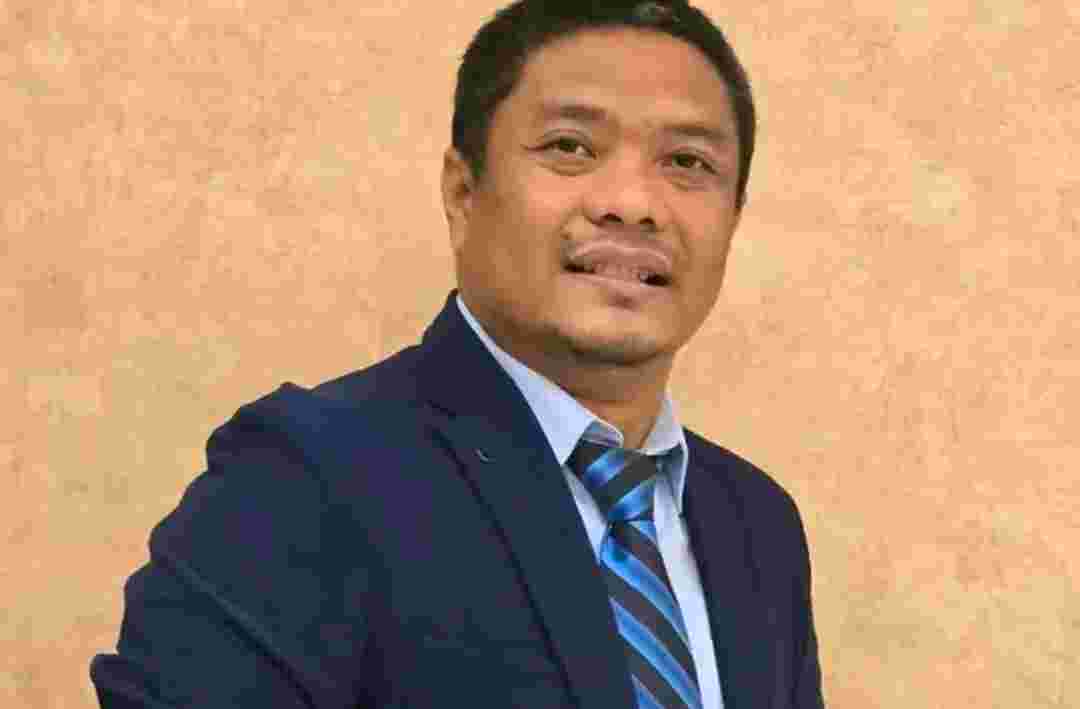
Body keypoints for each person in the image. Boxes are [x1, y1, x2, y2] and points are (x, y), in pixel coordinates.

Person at [90, 1, 824, 707]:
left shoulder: (755, 526)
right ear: (463, 191)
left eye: (688, 161)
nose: (633, 203)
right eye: (571, 147)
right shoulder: (301, 482)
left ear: (734, 216)